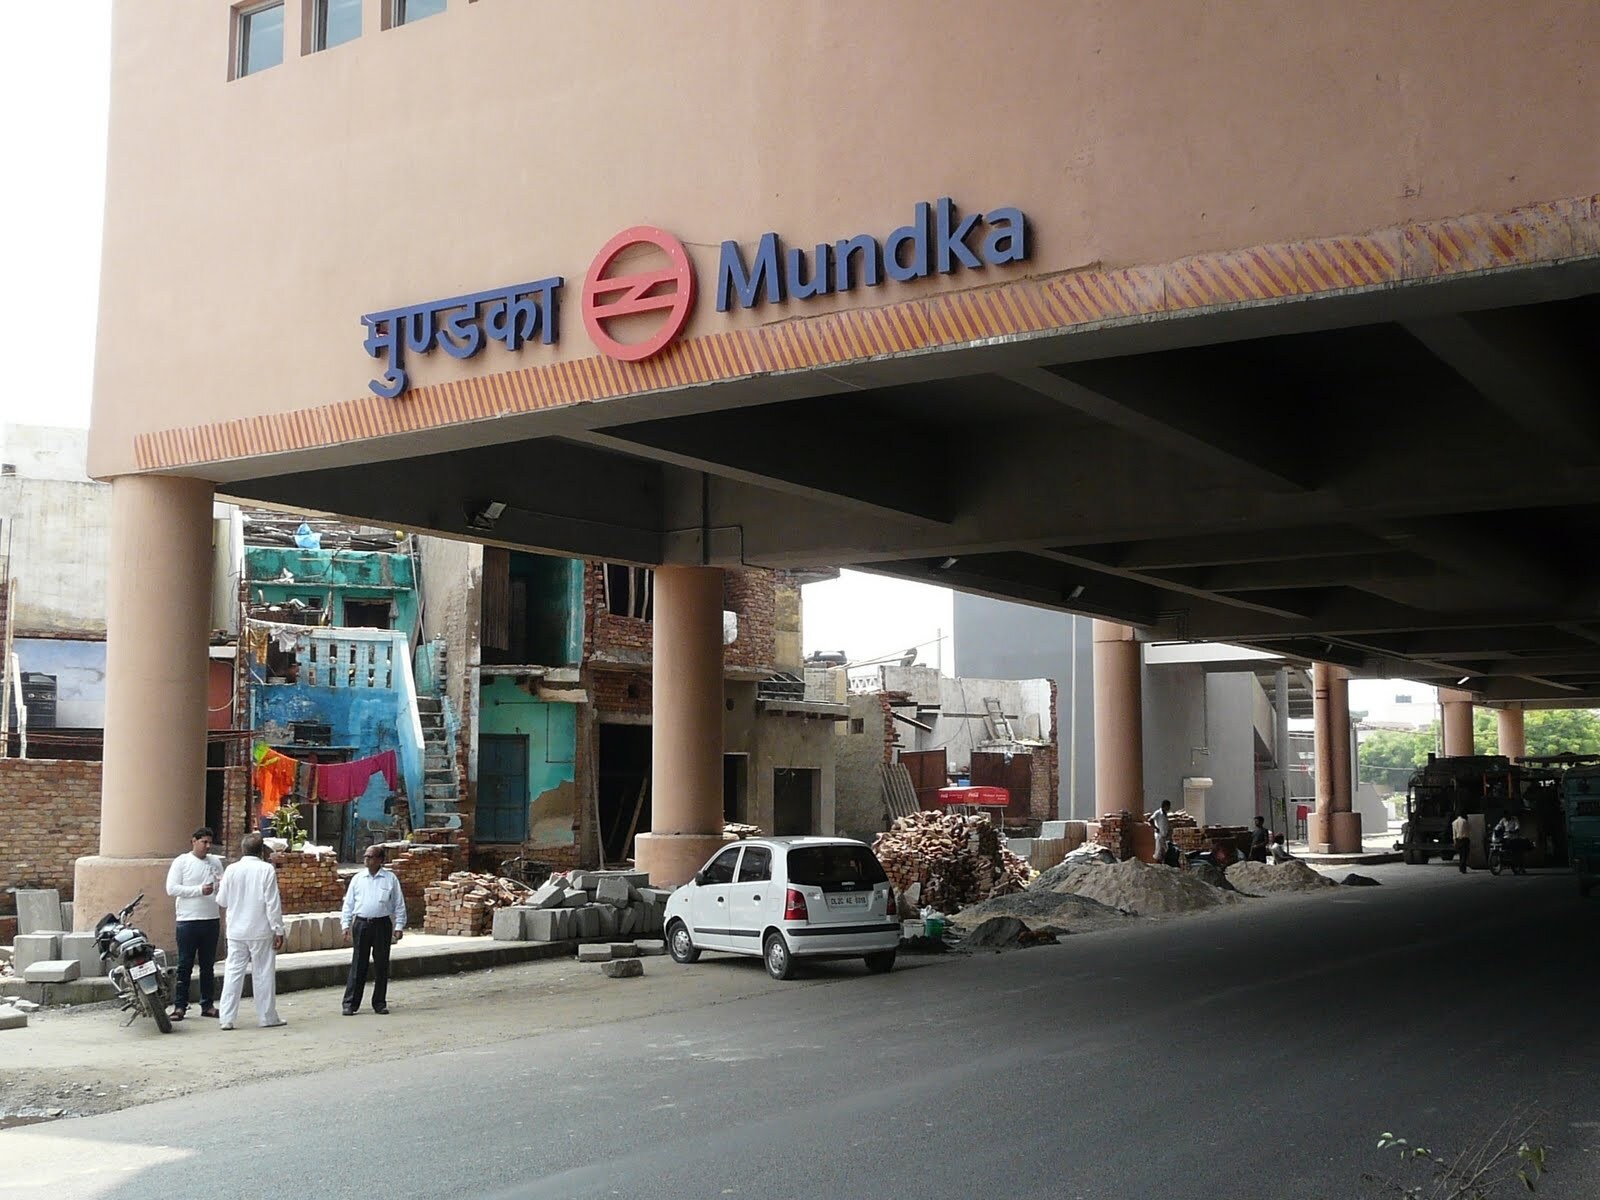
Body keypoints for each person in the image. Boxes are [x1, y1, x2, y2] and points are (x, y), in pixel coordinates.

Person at [214, 832, 287, 1030]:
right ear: (262, 850)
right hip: (260, 929)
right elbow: (272, 902)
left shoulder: (231, 870)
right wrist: (278, 929)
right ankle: (267, 1017)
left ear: (242, 850)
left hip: (236, 930)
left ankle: (227, 1018)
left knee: (233, 973)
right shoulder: (266, 870)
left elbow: (222, 900)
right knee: (263, 973)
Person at [164, 825, 224, 1020]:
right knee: (185, 964)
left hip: (211, 918)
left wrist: (219, 887)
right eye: (203, 842)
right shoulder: (182, 862)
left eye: (209, 843)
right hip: (188, 920)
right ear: (193, 841)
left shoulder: (215, 862)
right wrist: (198, 890)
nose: (207, 846)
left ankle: (207, 1004)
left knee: (208, 965)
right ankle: (180, 1005)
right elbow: (172, 888)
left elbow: (222, 885)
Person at [340, 845, 407, 1016]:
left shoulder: (390, 879)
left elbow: (399, 904)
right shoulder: (358, 878)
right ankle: (350, 1003)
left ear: (380, 860)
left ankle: (379, 1002)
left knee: (381, 965)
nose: (367, 860)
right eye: (366, 857)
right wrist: (345, 925)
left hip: (382, 925)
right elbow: (348, 904)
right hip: (361, 924)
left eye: (370, 857)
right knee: (358, 964)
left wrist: (399, 926)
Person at [1149, 800, 1173, 865]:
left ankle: (1163, 864)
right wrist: (1156, 828)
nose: (1168, 808)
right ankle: (1157, 865)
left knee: (1165, 850)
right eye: (1168, 807)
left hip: (1165, 835)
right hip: (1159, 835)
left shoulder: (1165, 814)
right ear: (1165, 806)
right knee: (1158, 852)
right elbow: (1150, 820)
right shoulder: (1158, 813)